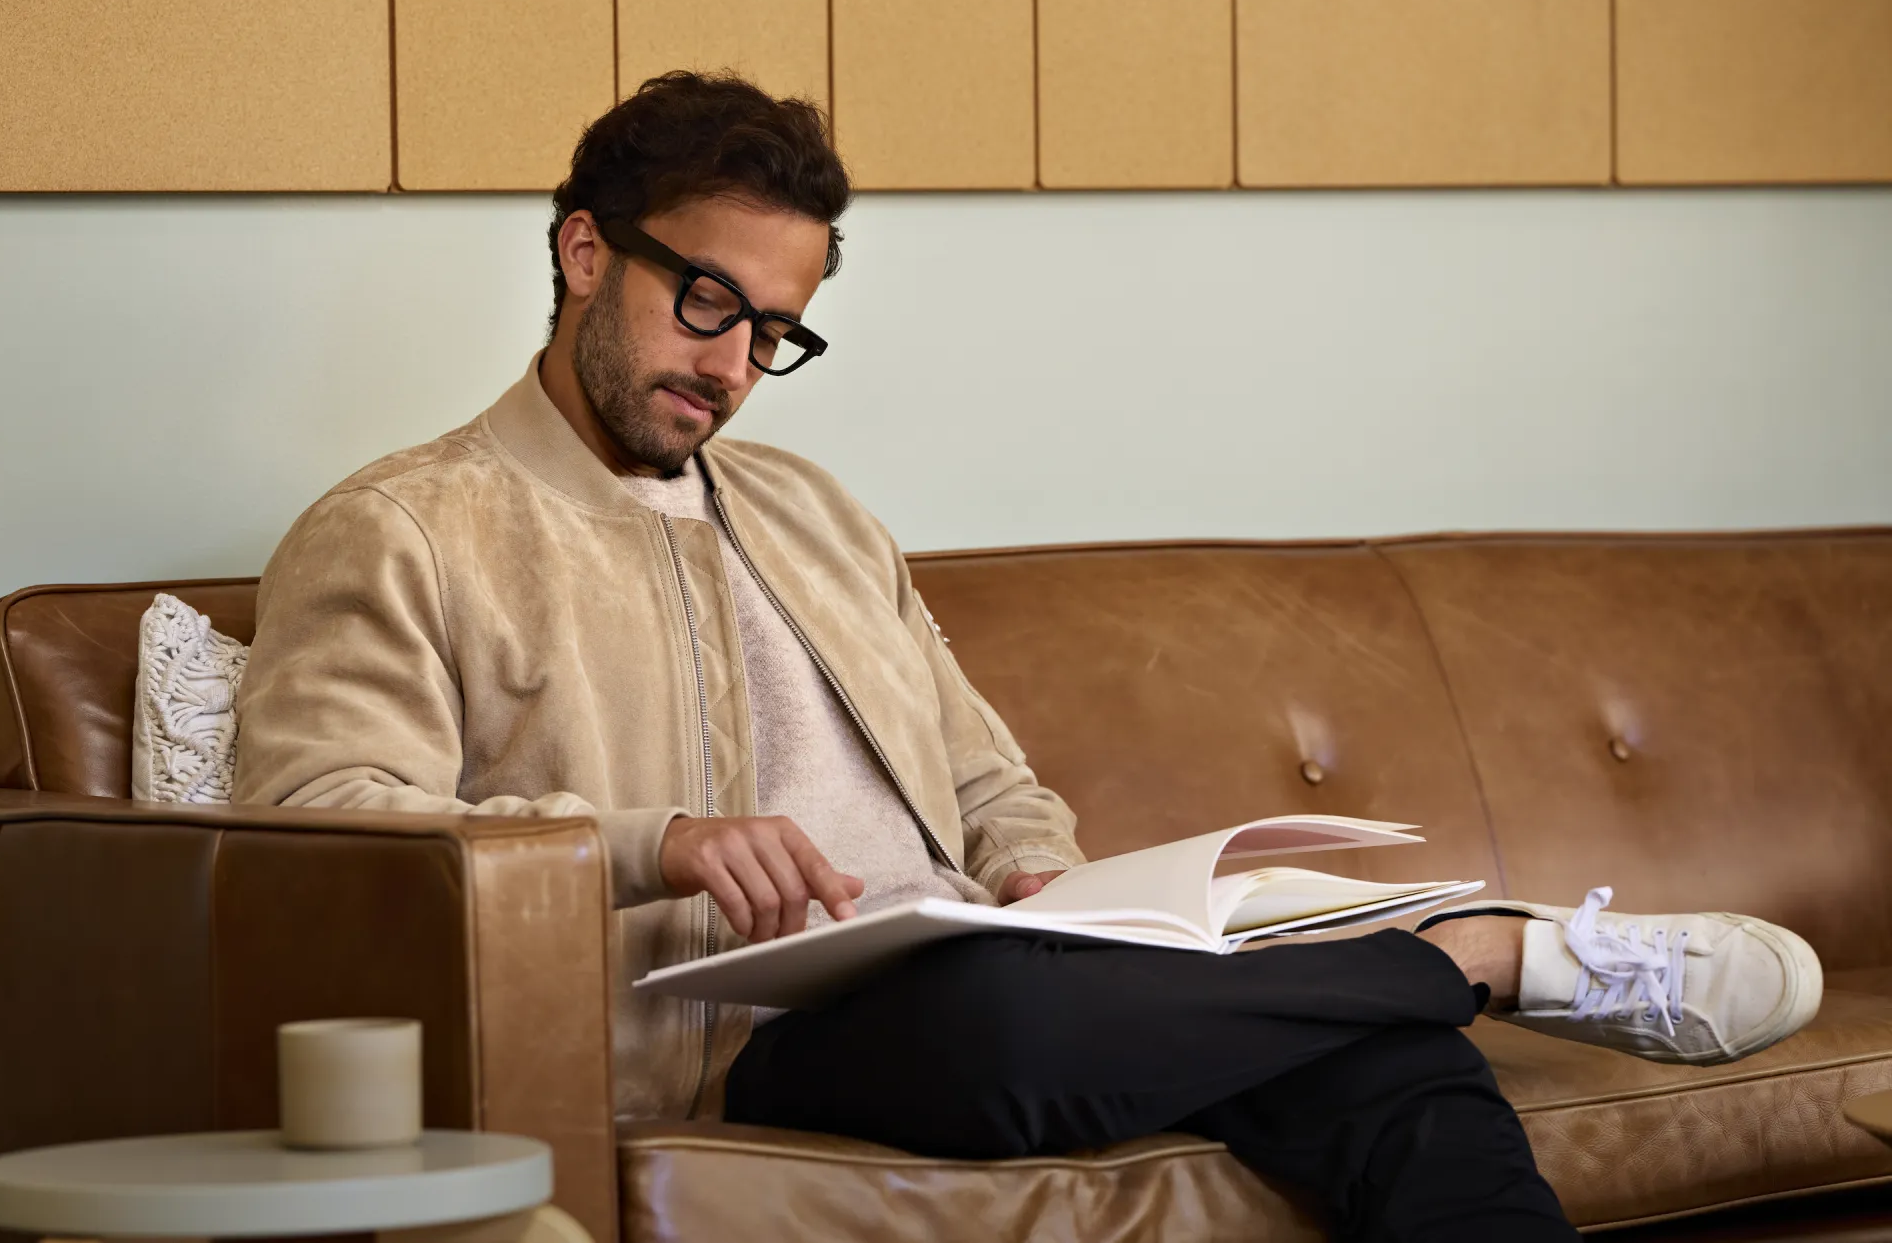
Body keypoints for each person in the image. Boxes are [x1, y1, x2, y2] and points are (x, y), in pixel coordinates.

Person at [235, 71, 1821, 1242]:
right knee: (1026, 1034)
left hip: (976, 965)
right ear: (586, 252)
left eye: (773, 333)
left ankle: (1415, 979)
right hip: (744, 1044)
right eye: (706, 305)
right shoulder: (405, 530)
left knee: (1391, 1076)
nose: (732, 369)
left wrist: (1042, 877)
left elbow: (990, 780)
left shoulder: (813, 514)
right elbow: (317, 833)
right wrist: (664, 842)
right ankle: (1478, 958)